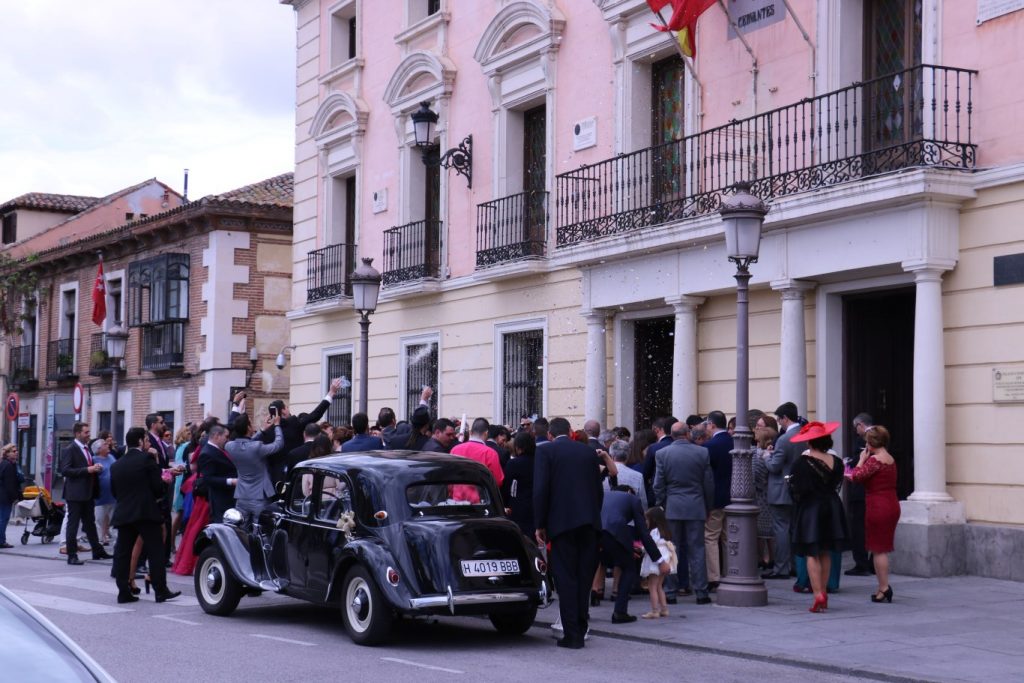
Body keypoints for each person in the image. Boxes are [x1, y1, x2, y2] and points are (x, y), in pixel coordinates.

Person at [534, 417, 604, 649]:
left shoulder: (546, 452)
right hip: (589, 523)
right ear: (571, 432)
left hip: (562, 524)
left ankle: (572, 633)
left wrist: (540, 523)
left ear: (551, 435)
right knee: (584, 578)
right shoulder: (588, 453)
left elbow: (541, 489)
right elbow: (598, 490)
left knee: (566, 579)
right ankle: (581, 628)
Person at [109, 427, 181, 604]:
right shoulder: (147, 459)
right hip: (145, 513)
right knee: (155, 551)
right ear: (141, 441)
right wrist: (164, 484)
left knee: (123, 552)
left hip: (124, 513)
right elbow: (157, 489)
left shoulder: (116, 465)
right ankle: (160, 590)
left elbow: (114, 491)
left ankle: (123, 591)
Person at [788, 421, 849, 613]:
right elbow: (836, 485)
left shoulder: (802, 462)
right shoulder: (837, 462)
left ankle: (817, 595)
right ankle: (824, 591)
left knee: (811, 552)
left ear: (810, 442)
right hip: (832, 506)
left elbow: (797, 491)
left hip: (811, 509)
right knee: (826, 551)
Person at [653, 421, 714, 605]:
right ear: (688, 434)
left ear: (671, 435)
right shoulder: (702, 452)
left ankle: (670, 592)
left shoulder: (662, 453)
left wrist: (661, 504)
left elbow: (658, 485)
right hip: (695, 505)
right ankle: (701, 592)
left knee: (672, 549)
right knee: (697, 549)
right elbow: (708, 484)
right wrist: (708, 507)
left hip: (672, 506)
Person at [600, 488, 670, 624]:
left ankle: (582, 612)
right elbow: (644, 534)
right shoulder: (634, 501)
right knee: (629, 568)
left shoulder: (605, 495)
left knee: (589, 569)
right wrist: (660, 561)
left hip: (594, 529)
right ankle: (620, 612)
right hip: (615, 531)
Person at [849, 425, 900, 603]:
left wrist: (861, 459)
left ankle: (884, 587)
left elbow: (856, 476)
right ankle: (881, 588)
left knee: (878, 550)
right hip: (891, 503)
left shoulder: (874, 460)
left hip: (878, 506)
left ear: (870, 443)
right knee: (882, 547)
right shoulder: (890, 459)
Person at [60, 422, 113, 565]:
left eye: (89, 432)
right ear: (77, 434)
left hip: (88, 493)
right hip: (75, 494)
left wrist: (95, 469)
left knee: (90, 523)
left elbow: (86, 467)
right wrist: (87, 470)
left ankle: (97, 550)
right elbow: (65, 470)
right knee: (73, 524)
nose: (89, 435)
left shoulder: (86, 449)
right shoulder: (70, 449)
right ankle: (72, 555)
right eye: (86, 432)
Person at [763, 401, 802, 579]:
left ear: (785, 418)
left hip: (780, 490)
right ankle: (796, 565)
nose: (779, 424)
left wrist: (765, 456)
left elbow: (774, 467)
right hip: (798, 488)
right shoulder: (805, 435)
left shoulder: (785, 439)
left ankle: (781, 568)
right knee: (794, 528)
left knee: (781, 529)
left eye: (779, 421)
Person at [227, 412, 284, 522]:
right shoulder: (256, 447)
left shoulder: (229, 446)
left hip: (241, 495)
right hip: (259, 497)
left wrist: (262, 430)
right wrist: (277, 425)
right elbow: (278, 444)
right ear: (248, 427)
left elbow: (246, 445)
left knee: (240, 530)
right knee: (260, 531)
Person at [702, 411, 732, 592]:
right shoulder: (735, 441)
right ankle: (730, 571)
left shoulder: (710, 446)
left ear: (712, 425)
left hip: (716, 498)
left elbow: (707, 475)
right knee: (729, 537)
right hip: (735, 498)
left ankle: (713, 577)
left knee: (711, 537)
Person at [844, 412, 875, 576]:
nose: (856, 431)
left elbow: (860, 461)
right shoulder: (880, 436)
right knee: (871, 528)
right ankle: (871, 563)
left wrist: (849, 462)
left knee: (859, 528)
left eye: (856, 427)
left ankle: (862, 564)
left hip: (861, 490)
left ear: (861, 425)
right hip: (873, 491)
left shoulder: (868, 438)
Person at [639, 506, 676, 619]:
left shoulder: (654, 532)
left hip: (655, 563)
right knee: (659, 586)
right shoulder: (664, 532)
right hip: (665, 560)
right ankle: (664, 609)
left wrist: (640, 548)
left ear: (653, 520)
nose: (646, 522)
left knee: (652, 586)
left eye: (647, 520)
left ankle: (655, 610)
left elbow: (650, 546)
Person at [197, 425, 237, 524]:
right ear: (216, 436)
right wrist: (231, 481)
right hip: (220, 500)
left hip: (229, 497)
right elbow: (208, 479)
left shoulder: (219, 449)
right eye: (226, 437)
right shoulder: (207, 453)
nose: (228, 440)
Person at [500, 431, 536, 539]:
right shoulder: (539, 461)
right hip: (536, 505)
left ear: (518, 446)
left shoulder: (514, 463)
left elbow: (507, 485)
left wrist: (505, 504)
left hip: (518, 506)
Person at [450, 418, 504, 487]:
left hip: (457, 496)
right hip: (481, 496)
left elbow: (450, 478)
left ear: (470, 432)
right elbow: (498, 481)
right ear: (486, 433)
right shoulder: (490, 453)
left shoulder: (455, 449)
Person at [605, 440, 646, 509]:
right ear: (628, 456)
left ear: (611, 456)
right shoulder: (638, 476)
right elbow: (642, 503)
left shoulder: (602, 474)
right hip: (629, 516)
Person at [91, 438, 117, 546]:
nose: (108, 446)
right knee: (99, 520)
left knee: (115, 519)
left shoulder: (111, 457)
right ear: (99, 449)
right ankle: (100, 540)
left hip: (114, 495)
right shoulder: (94, 460)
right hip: (100, 497)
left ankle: (117, 540)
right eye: (105, 444)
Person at [0, 444, 22, 548]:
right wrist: (15, 498)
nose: (16, 452)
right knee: (3, 519)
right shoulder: (8, 465)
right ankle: (1, 541)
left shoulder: (4, 463)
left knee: (2, 518)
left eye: (16, 450)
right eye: (13, 451)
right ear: (7, 453)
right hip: (5, 497)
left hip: (2, 495)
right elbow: (10, 484)